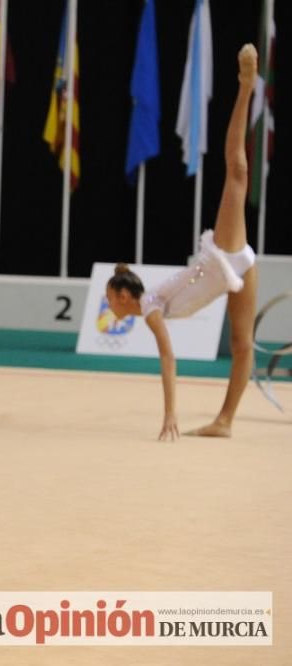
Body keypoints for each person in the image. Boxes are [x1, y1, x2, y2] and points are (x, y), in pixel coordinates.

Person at [106, 45, 260, 441]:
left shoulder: (152, 306)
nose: (108, 305)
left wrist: (169, 415)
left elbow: (168, 356)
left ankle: (246, 87)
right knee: (243, 344)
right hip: (232, 274)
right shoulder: (149, 305)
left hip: (221, 260)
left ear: (126, 297)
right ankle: (225, 421)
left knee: (237, 173)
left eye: (110, 298)